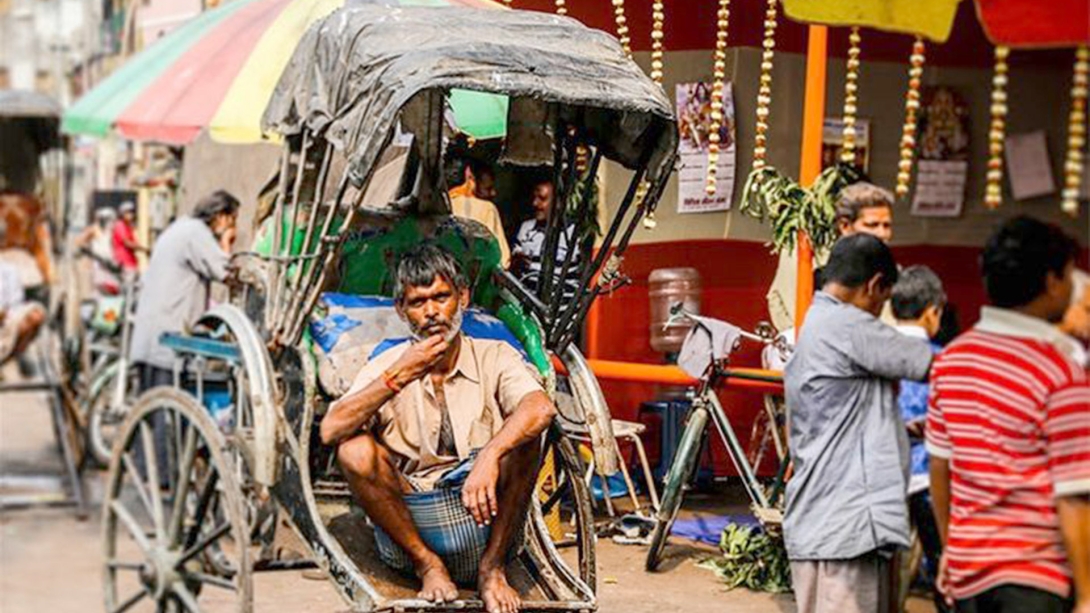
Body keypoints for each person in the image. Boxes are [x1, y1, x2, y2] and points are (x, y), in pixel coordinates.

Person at [321, 244, 555, 613]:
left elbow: (540, 407)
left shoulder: (494, 354)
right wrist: (398, 376)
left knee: (526, 436)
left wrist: (491, 454)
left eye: (442, 297)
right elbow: (330, 430)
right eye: (418, 302)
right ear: (402, 310)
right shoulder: (388, 362)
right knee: (353, 449)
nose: (432, 312)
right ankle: (428, 564)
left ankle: (491, 570)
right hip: (411, 521)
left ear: (462, 298)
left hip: (485, 516)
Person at [927, 216, 1090, 613]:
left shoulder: (951, 360)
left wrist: (950, 549)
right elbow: (1073, 496)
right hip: (1035, 577)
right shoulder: (1060, 371)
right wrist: (1087, 594)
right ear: (1052, 282)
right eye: (1069, 275)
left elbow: (939, 468)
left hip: (967, 573)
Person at [784, 234, 934, 613]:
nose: (879, 311)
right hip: (845, 526)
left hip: (821, 520)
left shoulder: (817, 321)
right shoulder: (850, 324)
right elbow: (927, 361)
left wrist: (903, 429)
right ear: (874, 285)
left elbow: (837, 415)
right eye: (882, 301)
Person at [129, 191, 238, 391]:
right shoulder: (196, 233)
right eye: (232, 221)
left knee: (154, 409)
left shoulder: (180, 228)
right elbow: (227, 272)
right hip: (166, 342)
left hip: (151, 337)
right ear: (221, 217)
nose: (234, 229)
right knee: (166, 414)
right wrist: (226, 242)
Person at [767, 181, 896, 340]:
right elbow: (791, 313)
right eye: (873, 225)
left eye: (886, 226)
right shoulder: (807, 254)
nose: (882, 233)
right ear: (845, 226)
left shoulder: (886, 265)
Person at [890, 265, 949, 613]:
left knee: (890, 569)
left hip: (886, 476)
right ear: (932, 312)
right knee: (943, 559)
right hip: (930, 477)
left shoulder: (873, 352)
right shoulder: (944, 359)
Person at [511, 179, 580, 300]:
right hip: (529, 310)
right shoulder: (526, 229)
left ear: (558, 202)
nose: (535, 203)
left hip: (562, 312)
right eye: (534, 198)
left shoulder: (573, 233)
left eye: (542, 199)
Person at [447, 157, 510, 266]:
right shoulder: (487, 208)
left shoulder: (443, 204)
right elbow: (503, 259)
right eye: (488, 188)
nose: (493, 193)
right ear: (470, 178)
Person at [0, 219, 45, 365]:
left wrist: (4, 314)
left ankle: (11, 357)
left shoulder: (9, 271)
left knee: (36, 314)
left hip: (5, 322)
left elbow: (15, 304)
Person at [75, 207, 120, 295]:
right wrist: (87, 251)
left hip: (110, 263)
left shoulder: (111, 231)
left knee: (113, 287)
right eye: (108, 220)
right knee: (100, 286)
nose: (111, 223)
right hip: (98, 262)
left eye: (111, 220)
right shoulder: (94, 229)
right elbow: (79, 241)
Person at [111, 201, 145, 275]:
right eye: (128, 212)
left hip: (130, 262)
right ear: (122, 214)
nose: (131, 215)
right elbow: (127, 243)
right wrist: (143, 249)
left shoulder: (128, 226)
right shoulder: (120, 225)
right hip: (125, 263)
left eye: (132, 212)